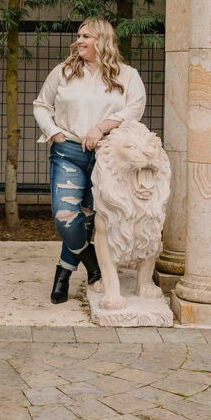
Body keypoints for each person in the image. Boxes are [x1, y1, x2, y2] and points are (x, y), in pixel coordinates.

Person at [33, 18, 146, 304]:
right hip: (68, 151)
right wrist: (54, 132)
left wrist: (102, 127)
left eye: (86, 36)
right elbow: (41, 105)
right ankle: (93, 262)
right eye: (79, 36)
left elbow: (135, 108)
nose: (79, 41)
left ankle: (63, 273)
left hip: (107, 157)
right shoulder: (64, 71)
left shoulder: (128, 75)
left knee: (89, 218)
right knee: (64, 217)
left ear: (103, 40)